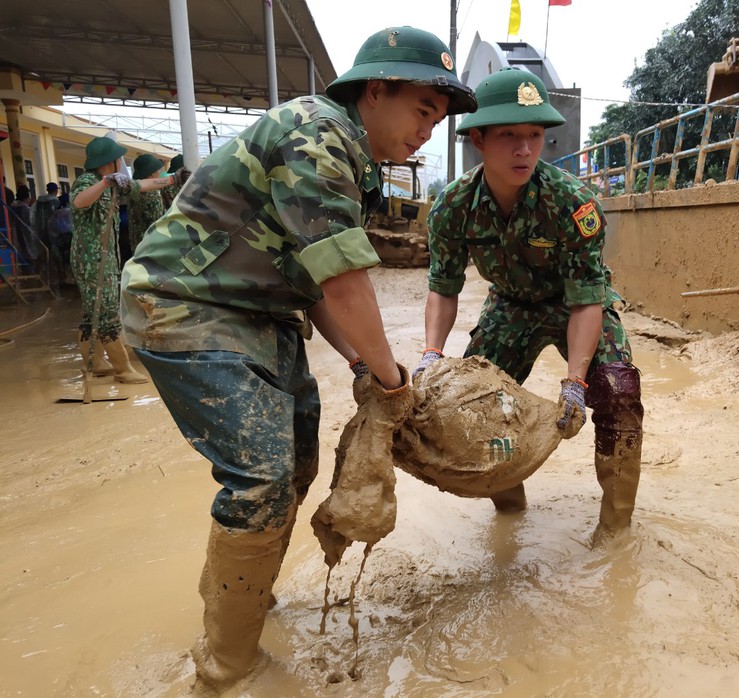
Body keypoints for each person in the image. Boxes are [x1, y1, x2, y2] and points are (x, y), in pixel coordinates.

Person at [120, 26, 476, 690]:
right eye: (423, 110)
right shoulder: (319, 134)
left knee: (297, 464)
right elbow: (345, 280)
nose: (431, 130)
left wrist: (363, 365)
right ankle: (228, 663)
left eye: (439, 119)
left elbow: (315, 283)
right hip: (182, 305)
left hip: (259, 313)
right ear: (376, 91)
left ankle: (240, 601)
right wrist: (396, 384)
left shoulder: (358, 163)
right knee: (261, 477)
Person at [415, 68, 644, 539]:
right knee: (478, 406)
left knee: (619, 393)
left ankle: (616, 528)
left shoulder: (572, 203)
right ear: (478, 138)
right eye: (509, 136)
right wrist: (432, 356)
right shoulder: (452, 207)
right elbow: (444, 286)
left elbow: (586, 298)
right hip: (510, 304)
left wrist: (576, 382)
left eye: (535, 135)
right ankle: (509, 508)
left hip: (574, 302)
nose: (524, 149)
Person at [71, 137, 186, 382]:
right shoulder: (87, 181)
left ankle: (95, 362)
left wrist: (173, 180)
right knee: (108, 313)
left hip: (106, 257)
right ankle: (122, 369)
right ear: (108, 162)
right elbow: (79, 202)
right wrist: (104, 183)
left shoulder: (117, 184)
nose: (120, 164)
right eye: (117, 160)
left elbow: (142, 185)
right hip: (90, 260)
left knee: (94, 312)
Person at [127, 153, 165, 254]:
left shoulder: (135, 192)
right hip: (152, 249)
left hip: (137, 246)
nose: (159, 173)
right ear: (152, 173)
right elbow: (157, 224)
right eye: (158, 170)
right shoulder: (152, 195)